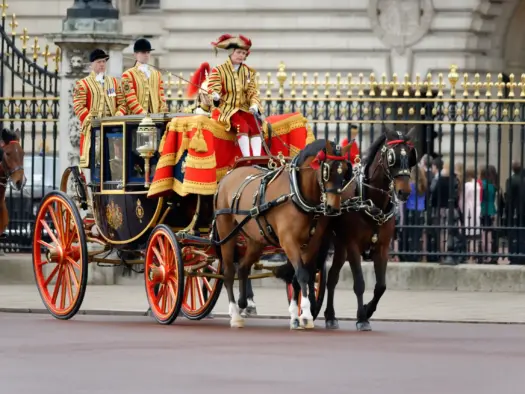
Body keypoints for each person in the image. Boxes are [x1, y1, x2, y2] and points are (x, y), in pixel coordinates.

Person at [207, 34, 263, 158]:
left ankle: (257, 158)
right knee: (241, 126)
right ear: (231, 52)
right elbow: (213, 87)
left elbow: (252, 91)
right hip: (227, 109)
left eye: (244, 53)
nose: (241, 55)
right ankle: (247, 158)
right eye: (239, 52)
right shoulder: (219, 70)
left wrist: (254, 104)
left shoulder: (248, 72)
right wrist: (215, 95)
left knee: (256, 125)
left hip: (244, 108)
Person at [73, 48, 126, 167]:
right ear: (92, 64)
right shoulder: (83, 84)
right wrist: (91, 120)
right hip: (93, 130)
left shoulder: (113, 82)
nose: (102, 64)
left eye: (103, 61)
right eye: (99, 62)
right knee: (95, 161)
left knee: (115, 161)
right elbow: (78, 106)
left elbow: (122, 103)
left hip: (112, 128)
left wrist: (118, 114)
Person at [121, 38, 168, 115]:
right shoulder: (128, 75)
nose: (146, 55)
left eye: (148, 52)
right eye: (143, 52)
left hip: (155, 118)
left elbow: (161, 97)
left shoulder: (157, 74)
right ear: (135, 54)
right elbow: (131, 99)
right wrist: (145, 115)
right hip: (135, 119)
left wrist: (162, 113)